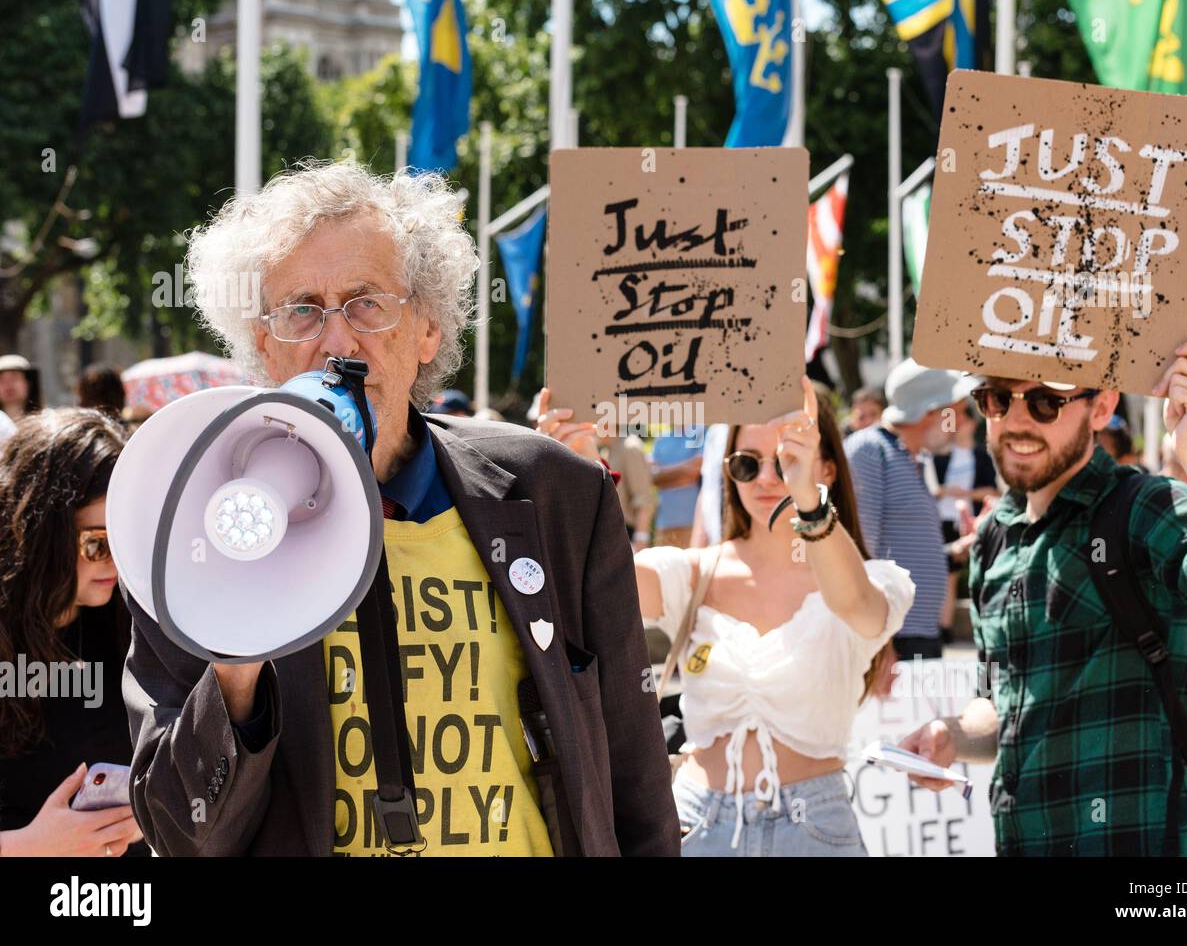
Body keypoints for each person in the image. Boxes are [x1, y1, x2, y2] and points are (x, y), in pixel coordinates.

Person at [121, 160, 678, 856]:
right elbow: (183, 833)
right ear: (262, 345)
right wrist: (233, 664)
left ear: (427, 330)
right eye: (301, 310)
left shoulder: (553, 495)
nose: (337, 343)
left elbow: (634, 773)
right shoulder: (186, 526)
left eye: (366, 303)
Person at [901, 342, 1187, 856]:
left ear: (1102, 407)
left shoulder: (1148, 509)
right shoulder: (992, 541)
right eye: (997, 399)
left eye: (1045, 401)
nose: (1017, 421)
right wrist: (951, 737)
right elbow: (1002, 705)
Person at [634, 378, 915, 855]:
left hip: (813, 830)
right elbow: (598, 583)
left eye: (785, 461)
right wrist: (574, 464)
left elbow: (861, 610)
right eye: (747, 463)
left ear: (827, 468)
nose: (766, 478)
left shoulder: (868, 580)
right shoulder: (694, 572)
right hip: (695, 823)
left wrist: (809, 501)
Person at [0, 408, 146, 857]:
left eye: (124, 539)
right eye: (96, 543)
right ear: (41, 532)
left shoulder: (132, 620)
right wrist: (29, 846)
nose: (115, 561)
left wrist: (143, 816)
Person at [845, 359, 974, 661]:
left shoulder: (915, 458)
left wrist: (952, 552)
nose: (958, 422)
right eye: (954, 412)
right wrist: (880, 643)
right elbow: (860, 550)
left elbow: (901, 545)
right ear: (930, 411)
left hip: (917, 633)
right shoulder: (869, 450)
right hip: (891, 640)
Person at [926, 399, 998, 640]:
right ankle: (938, 628)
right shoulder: (939, 455)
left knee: (964, 574)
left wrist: (965, 493)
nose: (955, 423)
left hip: (971, 522)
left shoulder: (981, 456)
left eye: (960, 418)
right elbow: (931, 487)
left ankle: (955, 628)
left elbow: (993, 490)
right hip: (942, 521)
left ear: (971, 423)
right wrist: (946, 491)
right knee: (942, 574)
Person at [649, 431, 703, 548]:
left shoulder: (702, 434)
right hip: (664, 526)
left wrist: (663, 475)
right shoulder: (662, 439)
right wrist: (684, 470)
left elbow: (694, 472)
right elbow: (651, 477)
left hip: (695, 526)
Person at [0, 354, 43, 422]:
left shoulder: (47, 422)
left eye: (14, 378)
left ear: (28, 383)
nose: (8, 384)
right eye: (2, 380)